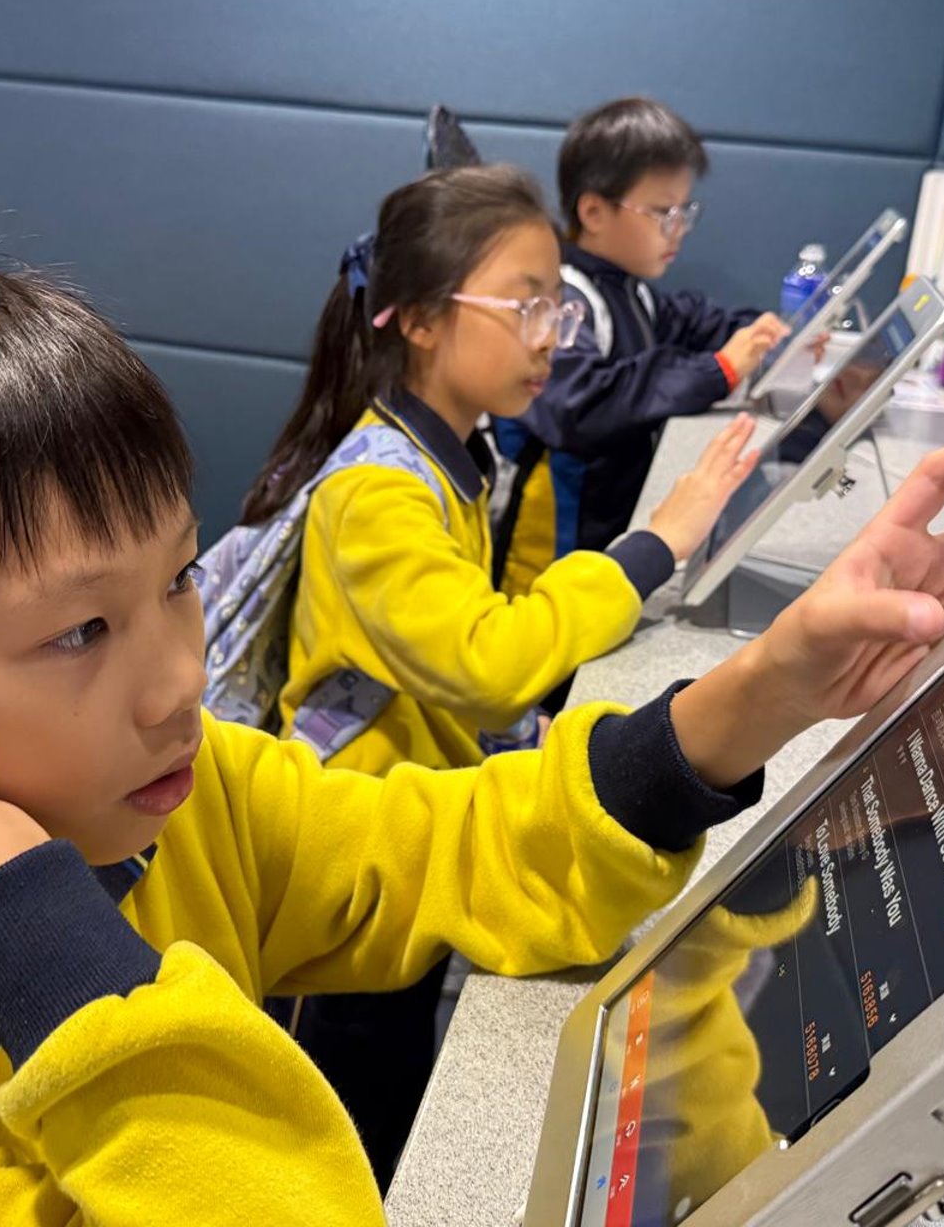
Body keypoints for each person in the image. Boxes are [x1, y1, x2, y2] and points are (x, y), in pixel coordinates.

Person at [0, 251, 944, 1225]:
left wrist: (771, 689)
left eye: (175, 585)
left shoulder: (176, 794)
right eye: (79, 633)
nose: (176, 682)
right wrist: (11, 899)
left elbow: (448, 845)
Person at [236, 165, 758, 1180]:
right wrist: (650, 549)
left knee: (393, 1073)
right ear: (422, 320)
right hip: (351, 862)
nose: (550, 337)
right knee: (351, 1111)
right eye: (525, 306)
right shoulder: (377, 493)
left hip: (411, 835)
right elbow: (485, 663)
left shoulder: (451, 456)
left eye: (557, 306)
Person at [498, 97, 791, 571]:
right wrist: (719, 369)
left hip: (608, 529)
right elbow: (581, 406)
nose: (679, 230)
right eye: (662, 213)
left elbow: (695, 322)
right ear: (594, 212)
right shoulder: (566, 299)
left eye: (684, 211)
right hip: (555, 549)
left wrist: (768, 335)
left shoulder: (630, 290)